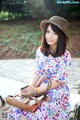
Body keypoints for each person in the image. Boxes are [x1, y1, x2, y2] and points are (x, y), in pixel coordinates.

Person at [8, 16, 72, 120]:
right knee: (21, 107)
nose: (50, 36)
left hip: (57, 91)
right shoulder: (41, 51)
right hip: (41, 86)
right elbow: (37, 71)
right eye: (48, 32)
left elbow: (58, 81)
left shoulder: (65, 55)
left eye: (55, 33)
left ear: (61, 36)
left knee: (40, 110)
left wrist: (36, 91)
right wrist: (30, 88)